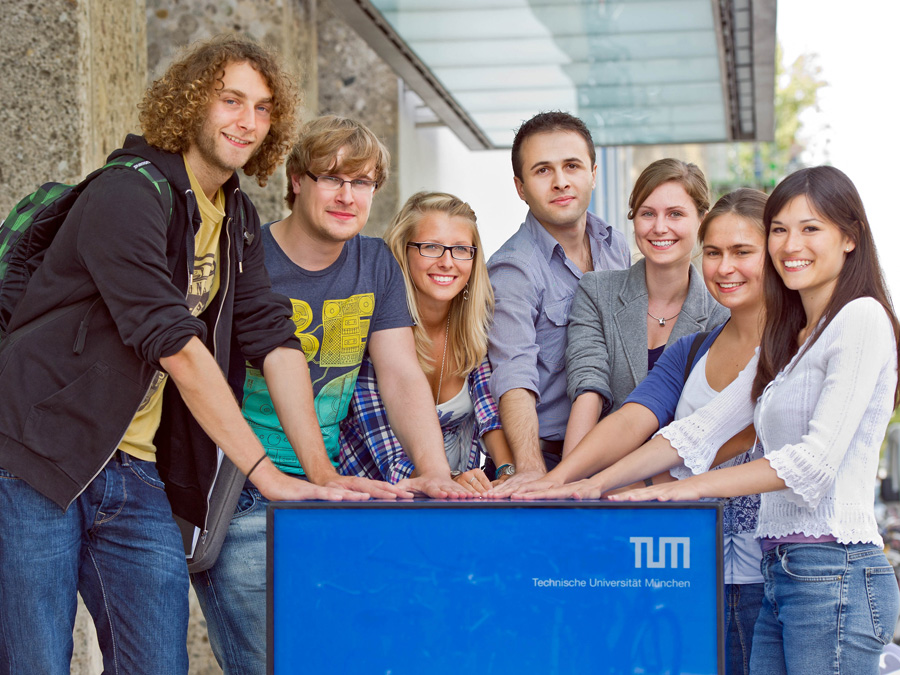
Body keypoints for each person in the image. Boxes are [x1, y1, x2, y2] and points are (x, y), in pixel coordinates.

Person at [0, 36, 360, 675]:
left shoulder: (237, 218)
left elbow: (271, 338)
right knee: (36, 662)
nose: (247, 121)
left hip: (133, 469)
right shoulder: (127, 192)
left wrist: (319, 474)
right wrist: (265, 475)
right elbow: (174, 342)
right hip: (37, 453)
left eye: (263, 107)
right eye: (231, 100)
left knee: (158, 664)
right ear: (192, 102)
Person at [192, 117, 473, 675]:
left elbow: (399, 375)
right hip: (240, 489)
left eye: (363, 182)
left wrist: (434, 470)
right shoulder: (246, 256)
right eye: (331, 178)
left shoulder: (375, 263)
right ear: (296, 181)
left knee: (342, 656)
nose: (348, 195)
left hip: (330, 488)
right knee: (269, 662)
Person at [604, 167, 900, 674]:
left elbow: (811, 464)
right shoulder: (793, 338)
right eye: (780, 228)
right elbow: (697, 431)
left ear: (850, 237)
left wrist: (684, 490)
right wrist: (590, 486)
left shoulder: (861, 318)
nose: (790, 244)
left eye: (811, 228)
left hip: (838, 572)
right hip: (781, 573)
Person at [512, 189, 769, 675]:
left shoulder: (792, 347)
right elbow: (636, 415)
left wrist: (624, 487)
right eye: (713, 253)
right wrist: (559, 480)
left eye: (742, 252)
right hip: (692, 567)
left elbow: (713, 440)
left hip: (768, 576)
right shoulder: (694, 348)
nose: (724, 267)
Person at [486, 111, 631, 494]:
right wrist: (533, 469)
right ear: (520, 187)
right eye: (542, 171)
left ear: (594, 174)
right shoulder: (512, 269)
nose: (561, 181)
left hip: (617, 454)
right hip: (547, 457)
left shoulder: (615, 245)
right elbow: (513, 374)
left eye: (572, 166)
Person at [339, 192, 515, 493]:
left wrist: (508, 472)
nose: (447, 262)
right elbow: (390, 459)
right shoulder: (375, 331)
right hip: (372, 504)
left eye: (461, 249)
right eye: (431, 247)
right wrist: (450, 478)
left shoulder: (473, 327)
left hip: (455, 501)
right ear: (402, 251)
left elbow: (490, 414)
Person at [563, 158, 729, 453]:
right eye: (647, 213)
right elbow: (588, 387)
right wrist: (567, 482)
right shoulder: (597, 291)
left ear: (702, 220)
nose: (660, 227)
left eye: (675, 214)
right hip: (599, 467)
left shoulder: (722, 315)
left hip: (677, 480)